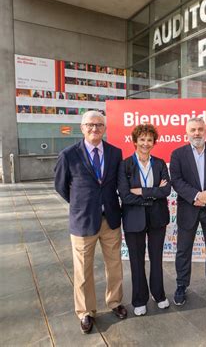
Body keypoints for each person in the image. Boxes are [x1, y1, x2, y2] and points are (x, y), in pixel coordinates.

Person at [54, 110, 127, 334]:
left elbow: (116, 183)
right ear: (82, 127)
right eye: (90, 125)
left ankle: (114, 302)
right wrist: (81, 204)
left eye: (99, 125)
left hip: (111, 219)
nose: (94, 129)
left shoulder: (115, 153)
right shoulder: (69, 155)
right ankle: (86, 312)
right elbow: (61, 186)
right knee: (82, 270)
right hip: (83, 221)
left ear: (104, 128)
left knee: (114, 265)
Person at [170, 117, 206, 305]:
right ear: (187, 133)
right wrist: (196, 196)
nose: (197, 133)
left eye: (200, 129)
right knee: (183, 250)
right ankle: (181, 285)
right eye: (193, 129)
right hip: (189, 208)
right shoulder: (178, 154)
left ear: (205, 131)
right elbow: (177, 180)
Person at [117, 124, 172, 316]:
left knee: (156, 259)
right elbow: (125, 195)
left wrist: (141, 191)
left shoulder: (160, 163)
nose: (145, 143)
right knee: (136, 261)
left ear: (154, 143)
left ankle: (158, 294)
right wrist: (153, 193)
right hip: (134, 219)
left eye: (149, 140)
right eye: (142, 139)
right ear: (135, 142)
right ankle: (139, 299)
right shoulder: (125, 165)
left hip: (158, 217)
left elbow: (166, 190)